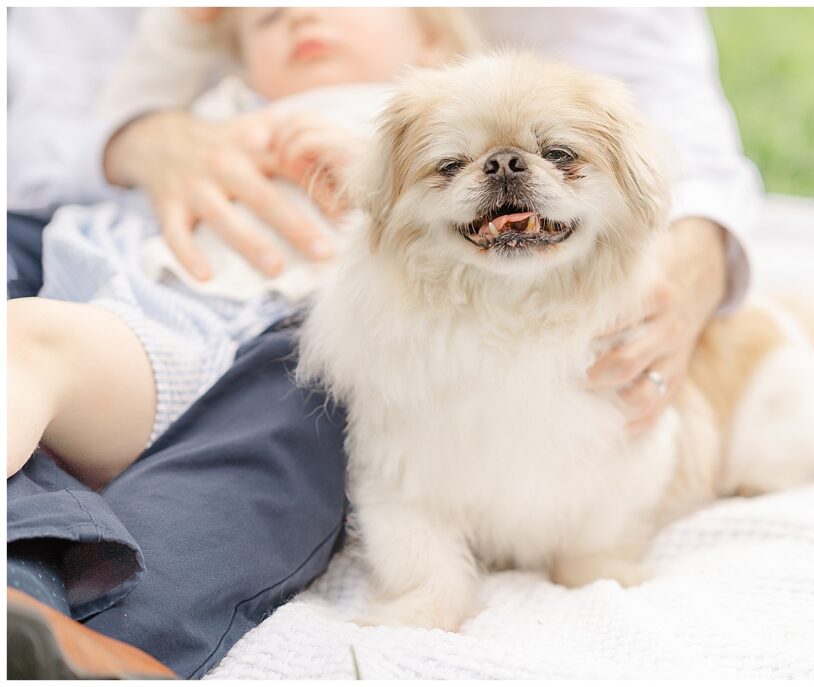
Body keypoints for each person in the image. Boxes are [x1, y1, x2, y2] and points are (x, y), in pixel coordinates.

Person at [6, 7, 762, 679]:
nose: (299, 17)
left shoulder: (410, 113)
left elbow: (664, 120)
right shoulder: (224, 104)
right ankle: (37, 609)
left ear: (432, 36)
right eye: (265, 18)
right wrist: (145, 117)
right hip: (103, 262)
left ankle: (83, 630)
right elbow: (100, 97)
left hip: (224, 323)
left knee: (240, 455)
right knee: (25, 341)